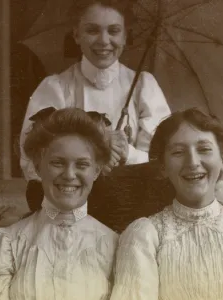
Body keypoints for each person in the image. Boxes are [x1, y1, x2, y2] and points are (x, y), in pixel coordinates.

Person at [110, 108, 223, 300]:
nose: (193, 162)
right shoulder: (145, 236)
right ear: (163, 167)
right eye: (178, 152)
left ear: (222, 160)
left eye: (204, 149)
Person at [20, 0, 171, 183]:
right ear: (76, 34)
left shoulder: (144, 87)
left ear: (125, 36)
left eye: (114, 31)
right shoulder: (55, 88)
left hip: (133, 198)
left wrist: (127, 153)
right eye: (92, 30)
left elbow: (163, 160)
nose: (104, 41)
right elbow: (32, 160)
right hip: (70, 199)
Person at [0, 108, 118, 300]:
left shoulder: (115, 246)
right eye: (58, 163)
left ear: (96, 171)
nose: (69, 175)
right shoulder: (7, 245)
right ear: (38, 166)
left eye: (82, 165)